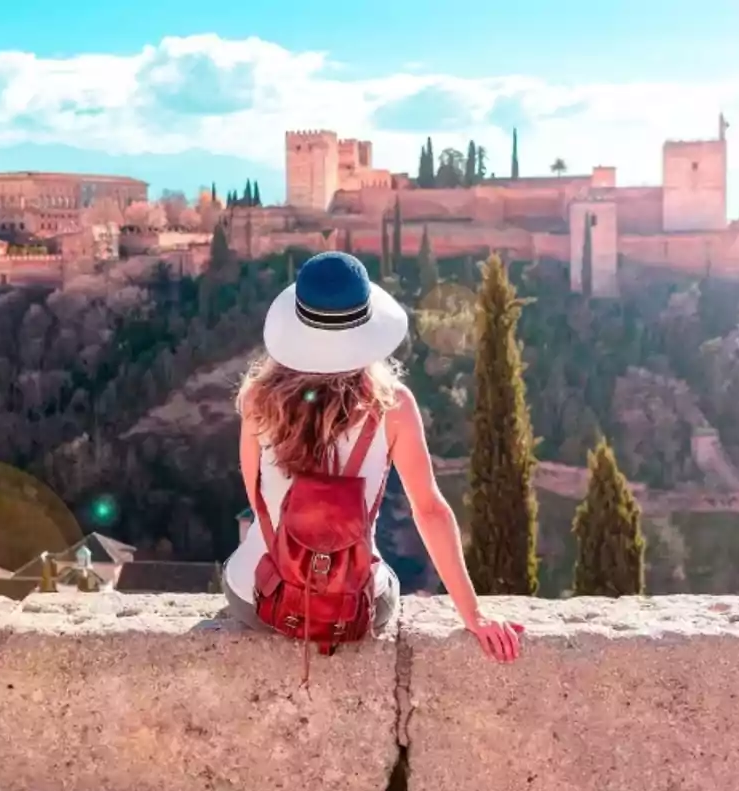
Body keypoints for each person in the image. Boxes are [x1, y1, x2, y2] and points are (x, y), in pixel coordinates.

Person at [221, 251, 523, 664]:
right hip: (351, 609)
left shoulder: (257, 398)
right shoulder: (393, 405)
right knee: (389, 580)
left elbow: (256, 497)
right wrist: (475, 614)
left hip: (259, 598)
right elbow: (430, 510)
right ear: (365, 327)